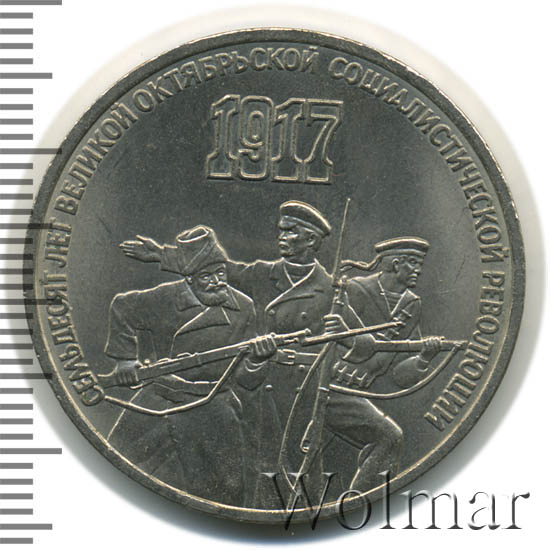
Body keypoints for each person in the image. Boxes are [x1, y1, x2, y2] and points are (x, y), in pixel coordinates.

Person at [105, 225, 273, 506]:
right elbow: (122, 307)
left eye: (221, 273)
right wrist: (125, 361)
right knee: (112, 466)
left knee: (226, 491)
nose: (217, 282)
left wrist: (257, 360)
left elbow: (246, 381)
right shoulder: (165, 298)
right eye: (206, 276)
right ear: (189, 279)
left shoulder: (243, 307)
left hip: (212, 401)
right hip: (159, 396)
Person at [320, 236, 443, 491]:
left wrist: (423, 358)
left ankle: (359, 500)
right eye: (413, 263)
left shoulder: (411, 304)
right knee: (390, 437)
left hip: (355, 392)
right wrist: (352, 338)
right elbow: (329, 333)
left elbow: (400, 374)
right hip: (327, 385)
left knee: (389, 438)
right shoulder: (354, 290)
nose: (418, 271)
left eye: (419, 265)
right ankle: (359, 501)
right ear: (396, 264)